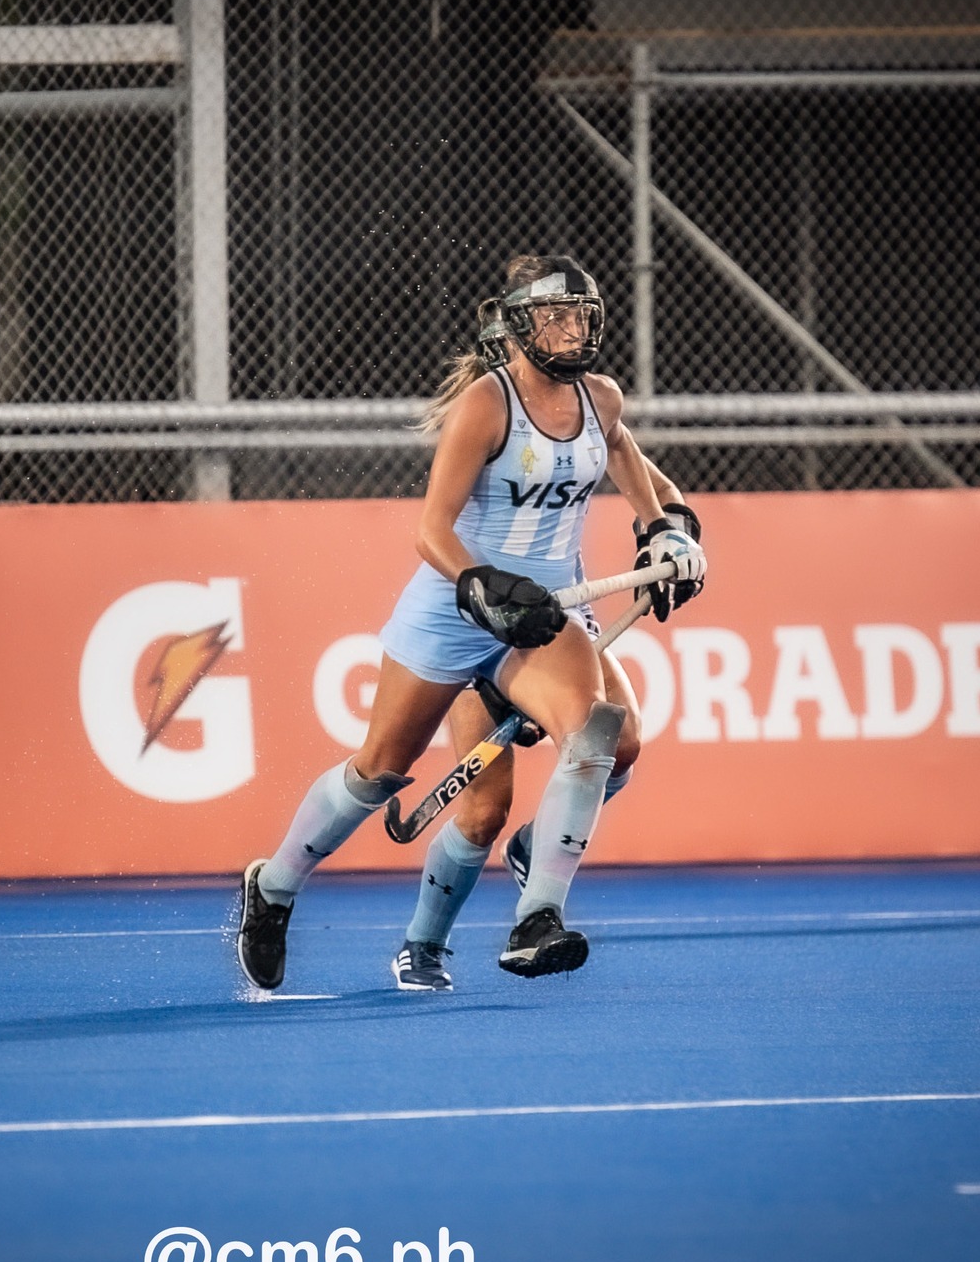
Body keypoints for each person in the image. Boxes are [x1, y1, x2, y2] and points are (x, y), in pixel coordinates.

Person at [235, 257, 705, 991]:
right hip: (459, 607)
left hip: (546, 611)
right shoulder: (487, 405)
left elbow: (636, 471)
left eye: (581, 314)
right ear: (519, 327)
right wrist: (482, 586)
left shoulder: (601, 399)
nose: (574, 329)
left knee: (600, 732)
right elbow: (432, 530)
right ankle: (274, 887)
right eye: (556, 316)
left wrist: (667, 532)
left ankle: (536, 916)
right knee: (378, 771)